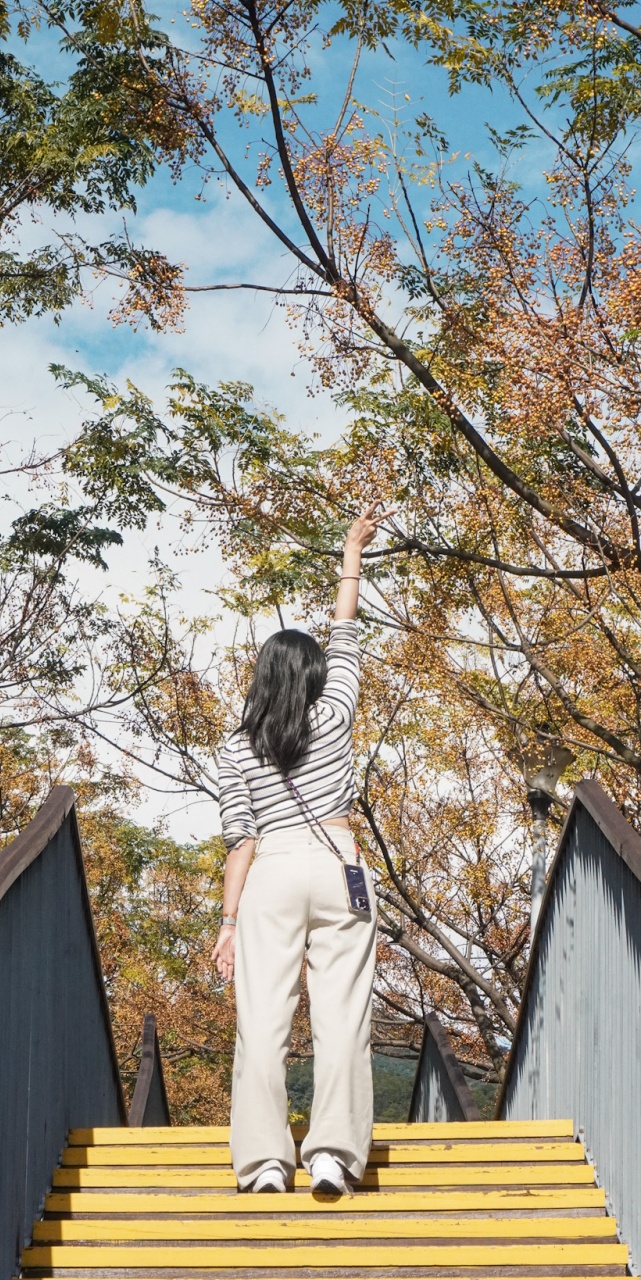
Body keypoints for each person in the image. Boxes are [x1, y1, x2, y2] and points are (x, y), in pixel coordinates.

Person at [211, 503, 392, 1196]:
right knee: (342, 1015)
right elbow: (346, 632)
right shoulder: (335, 714)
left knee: (262, 1021)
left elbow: (239, 838)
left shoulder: (236, 745)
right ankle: (331, 1157)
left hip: (269, 875)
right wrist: (351, 550)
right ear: (313, 677)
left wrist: (227, 924)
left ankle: (262, 1165)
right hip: (338, 863)